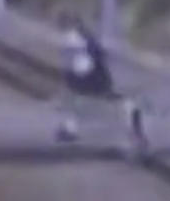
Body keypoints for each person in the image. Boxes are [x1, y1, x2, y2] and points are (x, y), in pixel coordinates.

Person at [55, 13, 147, 150]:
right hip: (95, 81)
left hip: (80, 83)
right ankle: (136, 134)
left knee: (76, 103)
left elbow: (73, 66)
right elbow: (96, 58)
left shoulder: (69, 40)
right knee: (129, 104)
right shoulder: (86, 39)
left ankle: (70, 130)